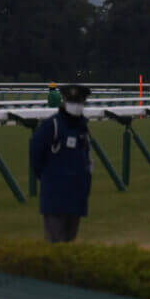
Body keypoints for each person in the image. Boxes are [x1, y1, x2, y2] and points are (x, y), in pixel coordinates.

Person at [29, 83, 94, 244]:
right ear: (64, 101)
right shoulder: (52, 125)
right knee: (56, 244)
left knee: (69, 244)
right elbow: (36, 155)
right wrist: (48, 178)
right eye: (72, 101)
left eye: (79, 102)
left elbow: (86, 161)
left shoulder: (83, 129)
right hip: (55, 198)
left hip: (76, 198)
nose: (76, 105)